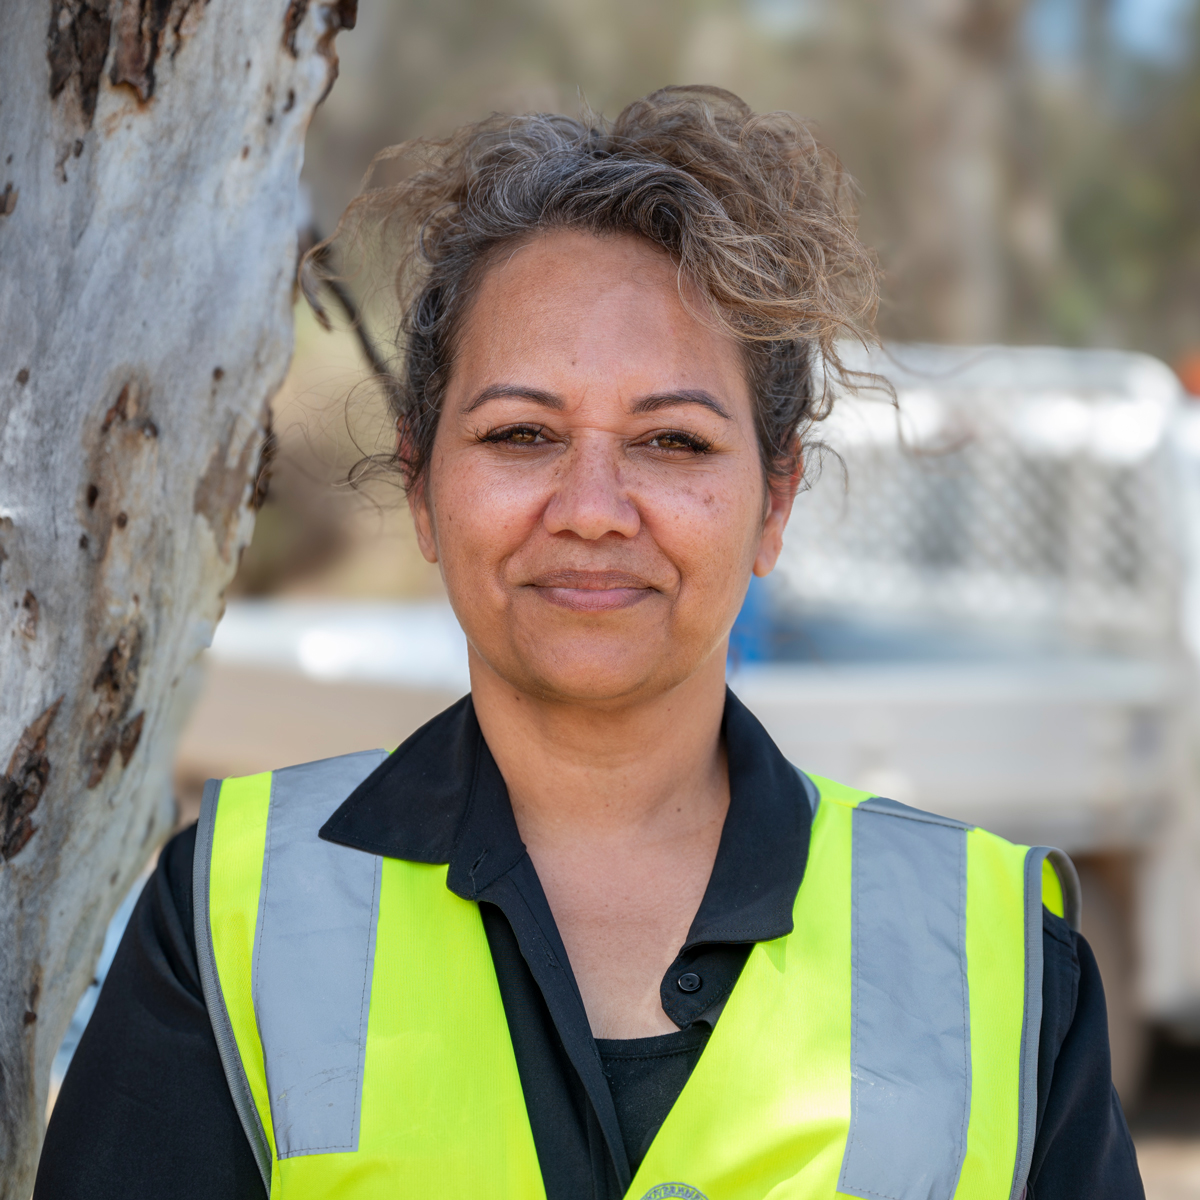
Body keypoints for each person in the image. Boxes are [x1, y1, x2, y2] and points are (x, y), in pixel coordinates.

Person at [34, 86, 1142, 1200]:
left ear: (775, 501)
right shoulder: (236, 916)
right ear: (422, 488)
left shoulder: (996, 950)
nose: (594, 508)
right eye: (523, 434)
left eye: (672, 439)